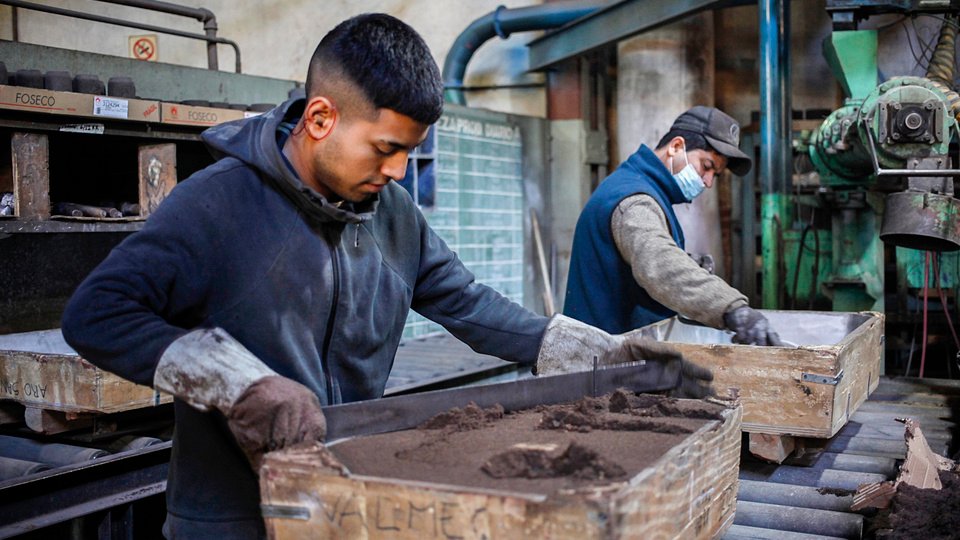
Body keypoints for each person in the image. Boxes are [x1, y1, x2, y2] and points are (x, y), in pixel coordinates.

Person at [60, 14, 713, 539]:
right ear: (321, 120)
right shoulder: (217, 204)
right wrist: (240, 385)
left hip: (347, 503)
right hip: (231, 518)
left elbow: (470, 304)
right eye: (386, 149)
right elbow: (97, 313)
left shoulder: (390, 214)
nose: (399, 171)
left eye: (410, 151)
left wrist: (607, 357)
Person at [563, 106, 782, 346]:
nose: (708, 182)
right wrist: (731, 308)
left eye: (715, 175)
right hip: (602, 362)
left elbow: (636, 258)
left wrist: (687, 261)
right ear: (676, 147)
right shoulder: (635, 200)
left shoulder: (640, 187)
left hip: (617, 354)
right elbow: (658, 264)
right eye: (707, 166)